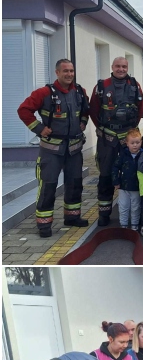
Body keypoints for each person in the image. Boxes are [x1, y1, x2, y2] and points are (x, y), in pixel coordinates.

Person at [16, 58, 91, 236]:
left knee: (74, 183)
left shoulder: (80, 92)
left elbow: (86, 110)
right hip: (51, 150)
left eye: (71, 71)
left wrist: (83, 122)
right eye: (65, 71)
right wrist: (40, 129)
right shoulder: (43, 92)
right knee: (48, 185)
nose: (69, 74)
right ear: (57, 72)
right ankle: (44, 224)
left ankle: (72, 217)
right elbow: (23, 110)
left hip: (74, 148)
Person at [89, 56, 143, 226]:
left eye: (124, 66)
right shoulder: (101, 86)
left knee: (135, 174)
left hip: (129, 139)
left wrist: (131, 131)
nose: (121, 69)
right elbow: (93, 110)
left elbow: (141, 107)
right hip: (108, 139)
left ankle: (137, 214)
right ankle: (104, 214)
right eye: (118, 66)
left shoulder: (135, 86)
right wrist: (104, 129)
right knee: (105, 174)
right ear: (112, 66)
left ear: (127, 67)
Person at [112, 128, 143, 231]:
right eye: (132, 143)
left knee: (136, 207)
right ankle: (123, 225)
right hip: (124, 186)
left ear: (141, 142)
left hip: (137, 187)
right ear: (127, 143)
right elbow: (115, 167)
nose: (135, 145)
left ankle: (134, 225)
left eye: (137, 142)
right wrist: (116, 181)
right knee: (123, 206)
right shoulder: (123, 155)